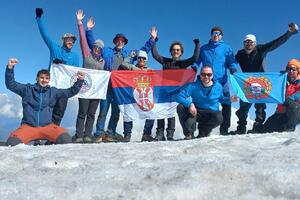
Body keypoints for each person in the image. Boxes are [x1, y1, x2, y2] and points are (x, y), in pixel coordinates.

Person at [85, 19, 157, 142]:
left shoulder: (128, 53)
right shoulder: (107, 51)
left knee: (116, 112)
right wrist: (89, 30)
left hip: (120, 88)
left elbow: (142, 51)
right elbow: (94, 46)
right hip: (107, 85)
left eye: (122, 40)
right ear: (115, 42)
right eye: (118, 40)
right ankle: (98, 133)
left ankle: (110, 133)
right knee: (103, 109)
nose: (120, 42)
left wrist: (152, 39)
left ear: (124, 43)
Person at [230, 23, 299, 135]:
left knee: (260, 107)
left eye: (251, 42)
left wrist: (289, 33)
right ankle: (241, 128)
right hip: (247, 84)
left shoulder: (261, 49)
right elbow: (231, 62)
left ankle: (257, 127)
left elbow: (276, 43)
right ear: (243, 43)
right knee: (243, 107)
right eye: (246, 42)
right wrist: (233, 71)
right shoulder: (240, 54)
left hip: (261, 83)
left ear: (255, 43)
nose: (249, 44)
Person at [5, 58, 84, 146]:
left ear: (49, 80)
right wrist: (10, 68)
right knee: (12, 143)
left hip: (47, 127)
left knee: (65, 139)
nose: (44, 80)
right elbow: (10, 84)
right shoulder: (27, 90)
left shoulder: (53, 92)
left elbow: (70, 92)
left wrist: (80, 80)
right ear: (37, 78)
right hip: (28, 127)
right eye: (41, 78)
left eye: (47, 78)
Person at [151, 30, 200, 141]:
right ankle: (159, 133)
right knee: (160, 111)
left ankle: (170, 134)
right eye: (173, 50)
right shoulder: (165, 61)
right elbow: (155, 55)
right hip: (163, 90)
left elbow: (195, 58)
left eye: (178, 50)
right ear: (171, 52)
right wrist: (153, 40)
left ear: (181, 52)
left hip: (177, 91)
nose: (175, 52)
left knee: (171, 111)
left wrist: (197, 45)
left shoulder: (182, 63)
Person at [35, 8, 80, 126]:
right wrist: (39, 18)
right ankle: (39, 136)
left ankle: (52, 135)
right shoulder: (55, 48)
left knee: (59, 112)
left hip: (64, 89)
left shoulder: (75, 56)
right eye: (68, 40)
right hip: (50, 85)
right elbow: (44, 34)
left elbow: (76, 72)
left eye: (72, 41)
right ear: (63, 40)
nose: (70, 42)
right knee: (45, 110)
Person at [196, 26, 238, 135]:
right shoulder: (204, 48)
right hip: (207, 80)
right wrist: (194, 66)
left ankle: (224, 130)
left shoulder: (226, 48)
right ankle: (203, 129)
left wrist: (233, 68)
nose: (216, 35)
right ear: (211, 35)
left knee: (227, 103)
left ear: (221, 36)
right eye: (214, 33)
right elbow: (198, 60)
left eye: (218, 33)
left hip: (222, 81)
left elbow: (231, 61)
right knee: (204, 103)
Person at [177, 66, 238, 139]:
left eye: (209, 74)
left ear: (212, 75)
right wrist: (190, 104)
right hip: (196, 112)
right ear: (200, 74)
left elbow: (221, 99)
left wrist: (229, 99)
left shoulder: (218, 86)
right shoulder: (193, 85)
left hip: (211, 113)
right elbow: (179, 96)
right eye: (203, 74)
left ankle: (204, 131)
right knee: (180, 107)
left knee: (219, 118)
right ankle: (189, 134)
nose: (206, 76)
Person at [73, 9, 106, 143]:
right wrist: (81, 24)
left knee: (92, 114)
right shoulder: (87, 55)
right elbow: (82, 40)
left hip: (96, 91)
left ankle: (87, 135)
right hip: (85, 88)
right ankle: (79, 135)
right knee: (82, 113)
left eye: (99, 48)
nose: (96, 49)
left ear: (101, 50)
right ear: (92, 47)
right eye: (95, 47)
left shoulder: (103, 61)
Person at [118, 50, 156, 142]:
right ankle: (127, 135)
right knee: (128, 112)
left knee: (151, 112)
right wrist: (131, 56)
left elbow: (157, 79)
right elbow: (123, 64)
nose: (141, 60)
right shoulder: (132, 68)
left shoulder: (150, 70)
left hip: (145, 96)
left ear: (146, 60)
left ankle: (146, 134)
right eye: (139, 58)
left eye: (143, 58)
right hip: (133, 95)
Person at [254, 59, 300, 133]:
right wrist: (278, 78)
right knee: (265, 130)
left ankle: (289, 129)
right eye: (289, 69)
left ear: (298, 70)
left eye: (294, 69)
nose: (291, 71)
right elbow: (269, 87)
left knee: (290, 102)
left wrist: (289, 98)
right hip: (280, 113)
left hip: (296, 112)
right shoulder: (282, 83)